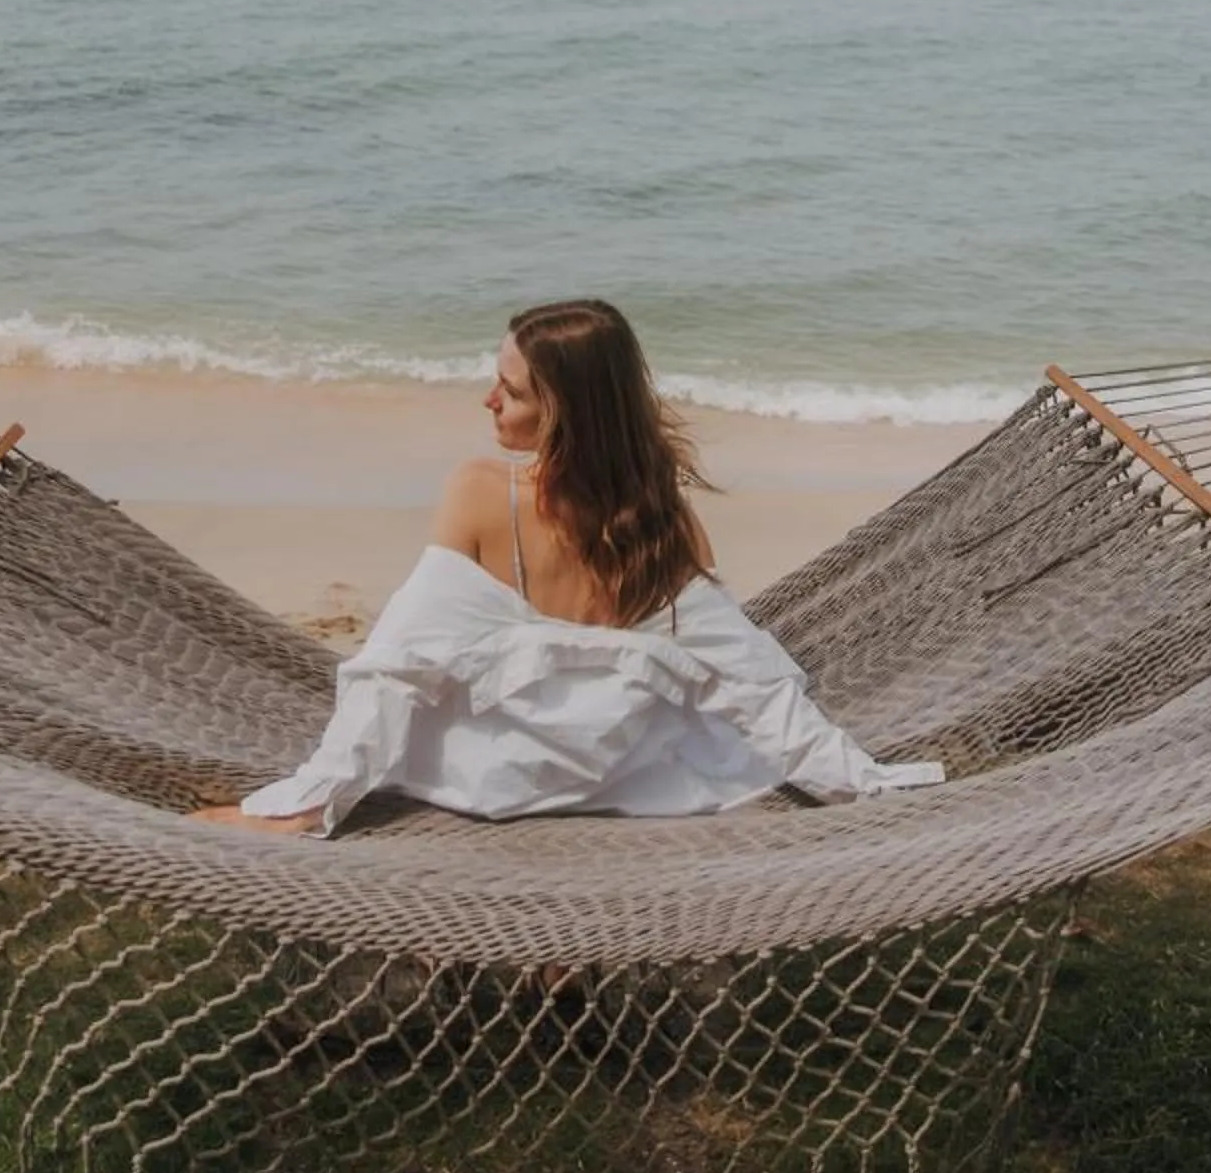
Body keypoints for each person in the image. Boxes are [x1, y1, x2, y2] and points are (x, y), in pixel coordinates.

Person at [192, 298, 943, 837]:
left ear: (564, 413)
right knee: (700, 680)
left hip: (493, 776)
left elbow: (397, 668)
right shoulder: (665, 522)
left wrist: (303, 804)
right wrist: (865, 786)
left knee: (418, 668)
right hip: (623, 774)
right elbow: (749, 683)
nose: (488, 401)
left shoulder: (483, 493)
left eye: (511, 391)